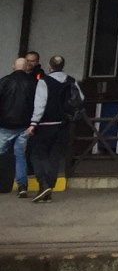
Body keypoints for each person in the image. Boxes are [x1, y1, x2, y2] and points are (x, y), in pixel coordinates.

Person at [25, 55, 84, 202]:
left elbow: (40, 104)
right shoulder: (71, 80)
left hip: (45, 125)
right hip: (64, 124)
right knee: (55, 157)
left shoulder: (44, 81)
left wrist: (33, 123)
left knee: (37, 155)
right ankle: (49, 188)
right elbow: (81, 98)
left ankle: (43, 184)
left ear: (50, 66)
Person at [0, 58, 34, 197]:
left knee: (1, 153)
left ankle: (2, 183)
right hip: (25, 126)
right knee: (20, 155)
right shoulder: (32, 83)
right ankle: (22, 186)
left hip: (5, 124)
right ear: (26, 67)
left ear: (13, 66)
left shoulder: (4, 81)